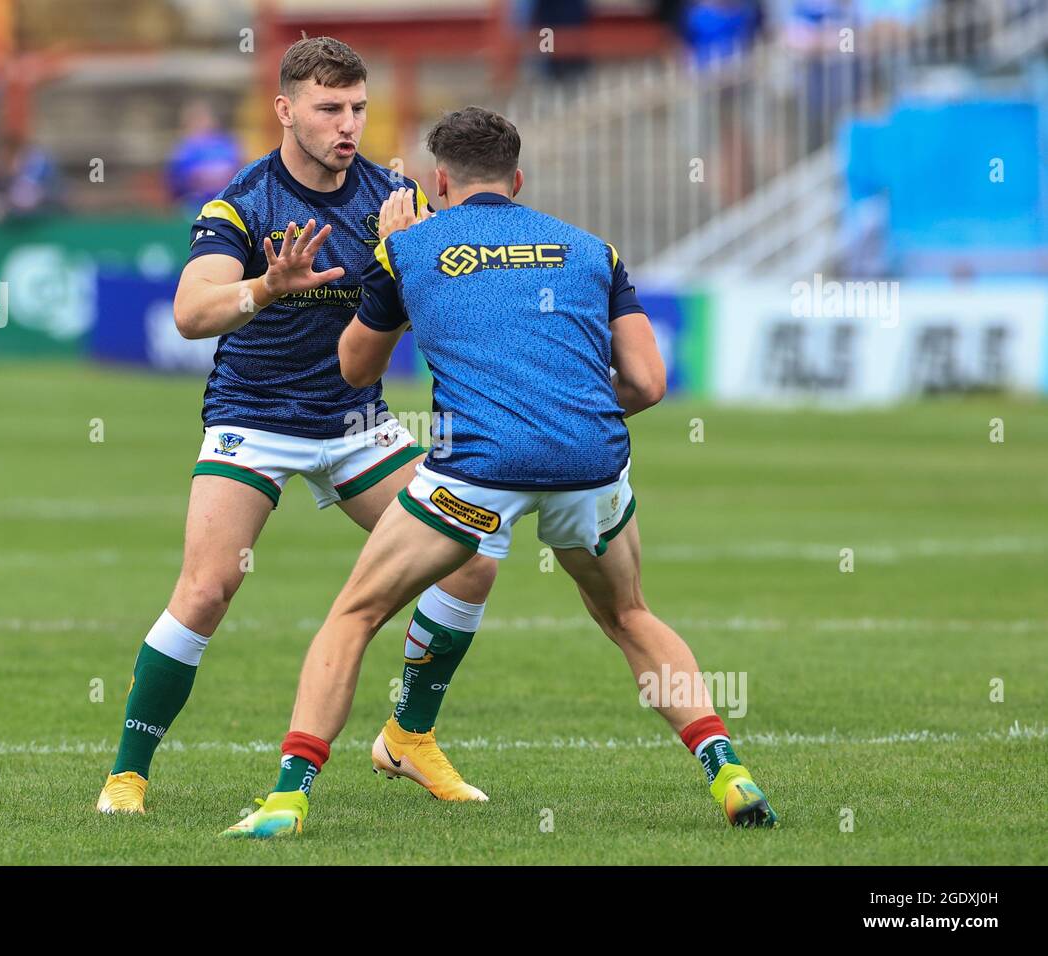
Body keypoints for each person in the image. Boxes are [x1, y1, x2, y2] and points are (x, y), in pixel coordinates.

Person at [225, 106, 778, 838]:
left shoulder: (412, 249)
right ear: (517, 180)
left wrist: (392, 260)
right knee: (631, 616)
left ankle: (287, 801)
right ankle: (729, 771)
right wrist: (564, 408)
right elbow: (646, 383)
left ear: (438, 181)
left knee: (353, 617)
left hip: (478, 463)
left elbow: (355, 368)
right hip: (591, 460)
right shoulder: (591, 250)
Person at [95, 37, 499, 815]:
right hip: (256, 416)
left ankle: (409, 738)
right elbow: (189, 313)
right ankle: (128, 773)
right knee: (209, 587)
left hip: (355, 422)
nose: (348, 124)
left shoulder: (393, 196)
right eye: (329, 109)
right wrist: (269, 286)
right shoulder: (241, 203)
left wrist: (409, 260)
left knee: (471, 559)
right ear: (285, 110)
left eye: (357, 108)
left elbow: (429, 313)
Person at [165, 100, 242, 213]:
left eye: (202, 119)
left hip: (226, 202)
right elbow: (177, 179)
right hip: (193, 204)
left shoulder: (226, 144)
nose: (200, 123)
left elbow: (236, 171)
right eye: (194, 120)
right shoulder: (184, 148)